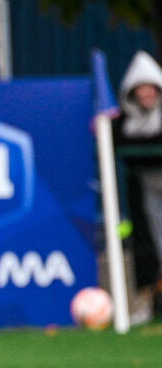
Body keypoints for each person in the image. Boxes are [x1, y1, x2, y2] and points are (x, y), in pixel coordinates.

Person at [112, 50, 162, 319]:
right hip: (145, 188)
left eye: (150, 88)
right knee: (147, 244)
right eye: (140, 90)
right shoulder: (122, 123)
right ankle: (146, 300)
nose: (146, 95)